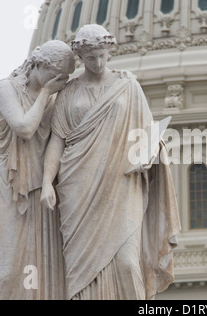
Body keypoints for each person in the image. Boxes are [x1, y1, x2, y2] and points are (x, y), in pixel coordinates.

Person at [41, 25, 181, 300]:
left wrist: (152, 151)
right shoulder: (68, 93)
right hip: (77, 187)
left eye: (102, 55)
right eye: (91, 57)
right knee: (79, 273)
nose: (98, 62)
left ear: (110, 51)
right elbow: (57, 141)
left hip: (122, 182)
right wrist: (47, 182)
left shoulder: (128, 87)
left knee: (128, 262)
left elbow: (147, 134)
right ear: (80, 56)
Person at [0, 40, 75, 300]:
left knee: (45, 266)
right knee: (8, 271)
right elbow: (24, 129)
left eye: (62, 80)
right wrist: (45, 94)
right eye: (55, 77)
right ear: (38, 65)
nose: (58, 83)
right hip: (10, 179)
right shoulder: (5, 89)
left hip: (41, 183)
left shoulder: (53, 97)